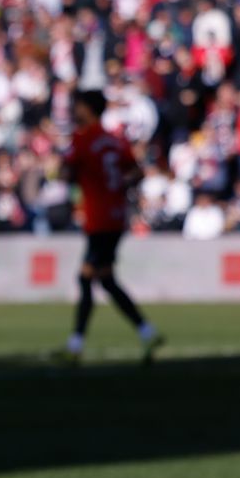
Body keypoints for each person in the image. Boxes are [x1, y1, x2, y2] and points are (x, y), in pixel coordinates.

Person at [60, 90, 163, 362]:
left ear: (88, 110)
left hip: (98, 218)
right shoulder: (115, 141)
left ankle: (75, 344)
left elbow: (65, 173)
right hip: (116, 217)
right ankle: (146, 331)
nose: (75, 111)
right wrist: (118, 187)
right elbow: (138, 171)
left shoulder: (82, 139)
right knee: (105, 279)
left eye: (78, 106)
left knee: (85, 277)